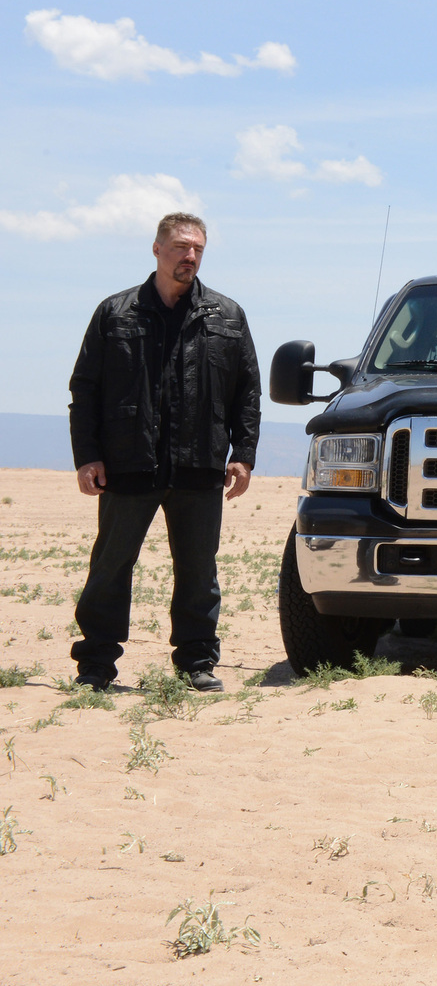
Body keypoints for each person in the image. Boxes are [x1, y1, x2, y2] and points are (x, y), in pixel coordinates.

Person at [68, 213, 261, 693]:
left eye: (196, 248)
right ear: (157, 249)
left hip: (200, 463)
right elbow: (85, 388)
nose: (189, 256)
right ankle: (96, 665)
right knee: (111, 567)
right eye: (179, 247)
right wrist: (87, 455)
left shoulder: (227, 316)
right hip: (128, 462)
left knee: (198, 570)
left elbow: (248, 391)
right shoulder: (116, 313)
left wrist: (244, 453)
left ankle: (196, 662)